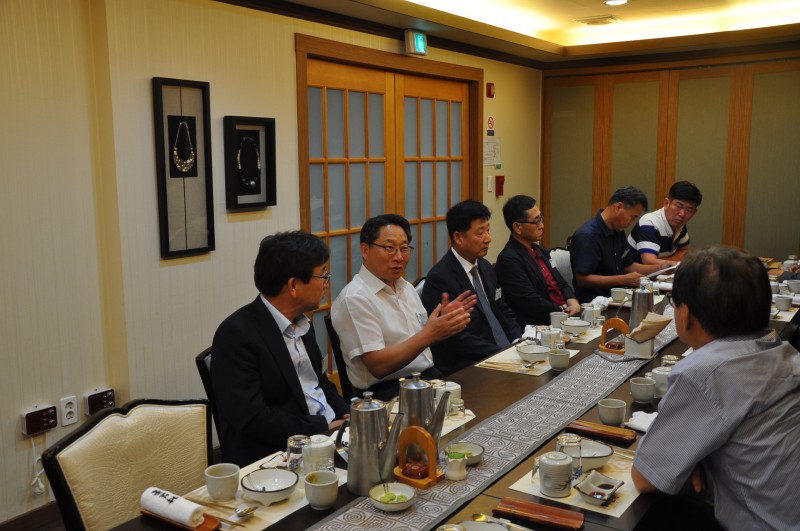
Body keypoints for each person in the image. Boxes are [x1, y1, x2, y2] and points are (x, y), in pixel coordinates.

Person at [632, 246, 800, 530]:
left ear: (685, 314)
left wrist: (692, 457)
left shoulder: (706, 372)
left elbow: (646, 478)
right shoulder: (783, 352)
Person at [211, 231, 349, 467]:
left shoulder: (302, 323)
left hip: (327, 435)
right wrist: (321, 428)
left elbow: (319, 382)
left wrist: (346, 413)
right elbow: (254, 417)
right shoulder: (236, 334)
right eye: (322, 275)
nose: (326, 283)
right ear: (294, 285)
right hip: (278, 453)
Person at [331, 214, 475, 401]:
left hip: (427, 378)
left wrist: (443, 324)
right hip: (386, 393)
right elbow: (378, 366)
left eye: (404, 248)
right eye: (389, 248)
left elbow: (420, 342)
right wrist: (429, 334)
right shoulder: (355, 298)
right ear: (365, 250)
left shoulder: (405, 287)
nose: (399, 257)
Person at [421, 200, 521, 375]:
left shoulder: (486, 267)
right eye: (480, 233)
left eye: (488, 230)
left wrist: (517, 339)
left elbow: (503, 308)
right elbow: (456, 339)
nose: (488, 238)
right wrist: (502, 354)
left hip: (506, 354)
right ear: (458, 237)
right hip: (470, 365)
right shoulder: (440, 278)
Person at [569, 186, 669, 302]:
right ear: (618, 207)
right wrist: (623, 280)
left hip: (618, 298)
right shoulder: (587, 235)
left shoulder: (617, 230)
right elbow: (582, 279)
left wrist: (661, 268)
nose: (632, 222)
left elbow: (628, 266)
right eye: (632, 217)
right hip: (595, 303)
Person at [495, 195, 580, 327]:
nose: (542, 226)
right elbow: (530, 301)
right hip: (542, 324)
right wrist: (562, 312)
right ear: (517, 227)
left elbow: (561, 282)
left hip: (564, 315)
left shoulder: (541, 251)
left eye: (541, 219)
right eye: (536, 221)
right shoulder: (509, 260)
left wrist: (572, 300)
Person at [628, 181, 702, 265]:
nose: (682, 214)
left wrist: (668, 261)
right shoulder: (650, 223)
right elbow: (649, 262)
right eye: (679, 206)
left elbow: (686, 250)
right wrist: (676, 260)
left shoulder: (679, 224)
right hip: (636, 273)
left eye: (689, 210)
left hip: (661, 272)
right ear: (666, 203)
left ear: (694, 212)